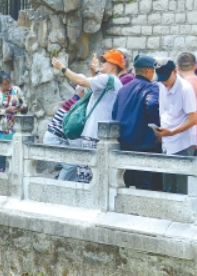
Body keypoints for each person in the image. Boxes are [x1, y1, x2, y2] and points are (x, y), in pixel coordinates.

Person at [51, 50, 123, 183]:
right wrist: (95, 72)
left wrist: (62, 68)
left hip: (92, 136)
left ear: (113, 65)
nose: (101, 63)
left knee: (86, 180)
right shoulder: (117, 83)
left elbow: (81, 81)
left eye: (105, 61)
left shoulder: (107, 79)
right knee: (99, 180)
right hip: (103, 136)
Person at [112, 54, 162, 190]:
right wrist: (157, 129)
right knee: (144, 186)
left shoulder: (123, 89)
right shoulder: (151, 87)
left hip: (123, 145)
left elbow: (114, 114)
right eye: (153, 70)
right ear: (147, 71)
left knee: (125, 184)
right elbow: (152, 105)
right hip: (144, 145)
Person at [153, 58, 197, 194]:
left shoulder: (186, 89)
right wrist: (162, 133)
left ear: (175, 71)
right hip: (167, 141)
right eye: (161, 79)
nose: (164, 82)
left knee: (182, 187)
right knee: (168, 186)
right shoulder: (162, 85)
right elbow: (165, 113)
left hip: (183, 143)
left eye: (166, 78)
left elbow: (193, 119)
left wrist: (172, 132)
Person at [42, 85, 86, 181]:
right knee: (71, 165)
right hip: (55, 138)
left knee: (75, 167)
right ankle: (59, 188)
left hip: (56, 137)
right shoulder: (76, 104)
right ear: (82, 91)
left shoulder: (73, 101)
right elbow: (72, 128)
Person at [0, 71, 27, 172]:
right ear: (0, 84)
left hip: (16, 124)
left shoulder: (16, 90)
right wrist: (6, 110)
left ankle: (15, 170)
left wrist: (18, 108)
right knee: (2, 148)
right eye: (5, 84)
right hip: (3, 126)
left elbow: (24, 104)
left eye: (9, 83)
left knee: (16, 148)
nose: (7, 86)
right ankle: (1, 168)